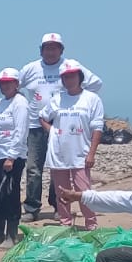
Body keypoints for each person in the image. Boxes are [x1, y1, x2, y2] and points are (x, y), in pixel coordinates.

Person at [20, 33, 103, 222]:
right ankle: (32, 208)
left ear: (61, 50)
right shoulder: (30, 68)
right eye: (47, 48)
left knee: (59, 167)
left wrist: (79, 100)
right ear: (41, 50)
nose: (51, 51)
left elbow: (96, 83)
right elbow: (14, 85)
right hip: (35, 126)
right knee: (34, 168)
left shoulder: (70, 65)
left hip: (64, 128)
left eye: (55, 48)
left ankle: (59, 207)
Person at [40, 59, 104, 230]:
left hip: (81, 152)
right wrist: (52, 131)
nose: (69, 80)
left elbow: (97, 127)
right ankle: (65, 224)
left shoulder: (92, 99)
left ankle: (91, 224)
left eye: (72, 76)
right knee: (61, 192)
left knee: (84, 191)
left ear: (79, 77)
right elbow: (43, 116)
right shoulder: (57, 98)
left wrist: (91, 153)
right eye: (66, 77)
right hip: (58, 152)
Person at [0, 68, 30, 246]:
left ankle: (11, 234)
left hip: (13, 157)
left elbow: (21, 131)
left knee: (9, 195)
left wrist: (11, 157)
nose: (4, 86)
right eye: (2, 83)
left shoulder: (20, 103)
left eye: (8, 83)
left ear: (16, 84)